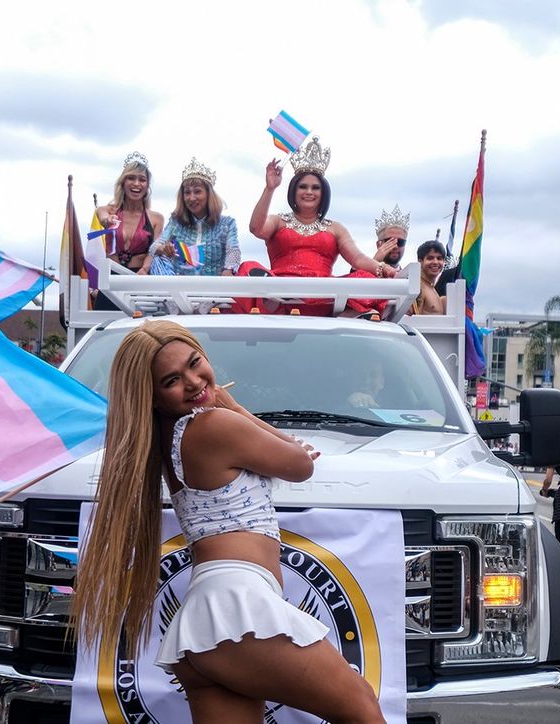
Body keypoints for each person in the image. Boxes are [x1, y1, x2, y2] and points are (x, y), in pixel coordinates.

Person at [72, 321, 384, 723]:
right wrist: (232, 407)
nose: (192, 381)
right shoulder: (213, 425)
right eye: (171, 380)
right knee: (360, 704)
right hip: (237, 611)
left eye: (194, 363)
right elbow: (300, 464)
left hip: (207, 626)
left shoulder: (168, 440)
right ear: (151, 396)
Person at [235, 137, 396, 316]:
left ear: (323, 192)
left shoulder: (335, 228)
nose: (309, 192)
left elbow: (357, 259)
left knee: (366, 278)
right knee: (248, 267)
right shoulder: (278, 221)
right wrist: (270, 188)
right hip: (279, 291)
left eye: (315, 188)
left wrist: (383, 269)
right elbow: (256, 228)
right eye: (303, 187)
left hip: (324, 293)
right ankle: (275, 297)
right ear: (294, 191)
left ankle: (348, 314)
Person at [139, 158, 241, 278]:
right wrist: (164, 248)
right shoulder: (175, 222)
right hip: (180, 291)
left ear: (209, 195)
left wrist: (228, 270)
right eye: (187, 192)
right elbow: (154, 247)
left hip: (214, 290)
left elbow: (233, 250)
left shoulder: (227, 223)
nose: (191, 198)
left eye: (197, 192)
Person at [95, 152, 165, 273]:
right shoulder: (107, 210)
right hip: (111, 275)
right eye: (131, 178)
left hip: (140, 275)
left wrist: (145, 269)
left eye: (142, 179)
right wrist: (108, 220)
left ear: (147, 185)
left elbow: (153, 250)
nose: (136, 183)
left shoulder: (156, 219)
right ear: (123, 182)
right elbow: (103, 218)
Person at [411, 241, 447, 315]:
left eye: (439, 258)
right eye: (430, 258)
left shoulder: (431, 288)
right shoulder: (418, 288)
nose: (435, 262)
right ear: (420, 261)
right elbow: (413, 322)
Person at [371, 205, 410, 271]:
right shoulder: (363, 274)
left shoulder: (409, 278)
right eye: (390, 241)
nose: (395, 246)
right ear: (379, 244)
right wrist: (374, 263)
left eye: (400, 242)